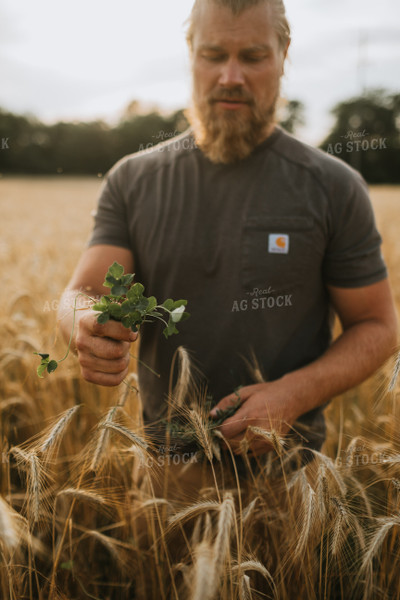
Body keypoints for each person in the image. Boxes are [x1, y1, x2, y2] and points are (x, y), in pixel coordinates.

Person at [58, 0, 398, 462]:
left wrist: (293, 394)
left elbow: (377, 325)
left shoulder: (334, 187)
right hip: (163, 479)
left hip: (290, 483)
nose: (231, 77)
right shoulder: (132, 180)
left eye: (253, 56)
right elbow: (83, 290)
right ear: (190, 53)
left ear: (284, 54)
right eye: (214, 55)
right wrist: (83, 321)